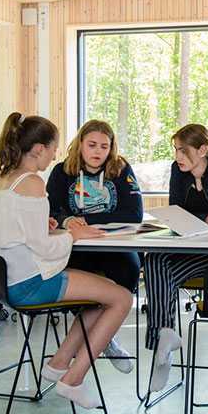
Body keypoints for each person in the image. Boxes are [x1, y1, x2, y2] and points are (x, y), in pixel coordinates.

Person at [0, 113, 132, 409]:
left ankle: (59, 362)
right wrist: (75, 235)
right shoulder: (33, 182)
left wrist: (36, 225)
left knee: (102, 294)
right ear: (38, 150)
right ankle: (72, 380)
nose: (56, 154)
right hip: (30, 283)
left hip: (4, 282)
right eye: (53, 148)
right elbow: (45, 250)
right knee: (122, 298)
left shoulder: (3, 181)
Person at [142, 124, 208, 394]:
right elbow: (176, 213)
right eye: (175, 150)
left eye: (183, 150)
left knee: (161, 272)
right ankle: (165, 337)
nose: (177, 157)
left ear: (203, 149)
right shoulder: (178, 171)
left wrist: (200, 219)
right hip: (188, 244)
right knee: (153, 261)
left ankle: (162, 348)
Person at [47, 119, 143, 372]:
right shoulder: (61, 172)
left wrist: (84, 220)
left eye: (104, 146)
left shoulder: (121, 169)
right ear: (80, 145)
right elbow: (50, 210)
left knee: (131, 268)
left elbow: (134, 215)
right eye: (92, 145)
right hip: (78, 248)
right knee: (83, 284)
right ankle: (104, 336)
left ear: (111, 148)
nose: (98, 151)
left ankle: (103, 334)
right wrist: (68, 220)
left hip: (113, 246)